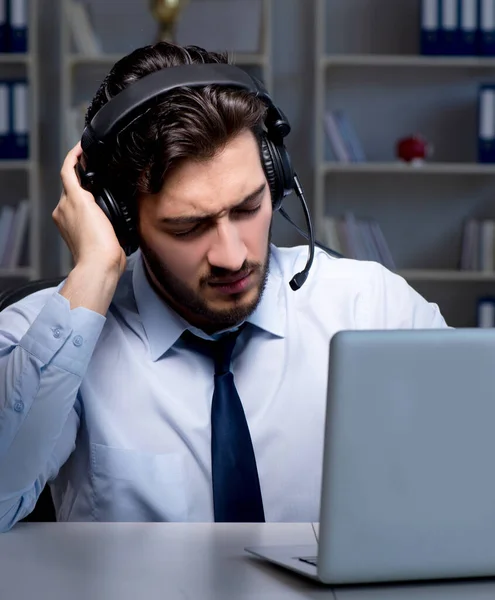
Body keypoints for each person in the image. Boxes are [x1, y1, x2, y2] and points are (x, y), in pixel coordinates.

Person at [0, 42, 448, 533]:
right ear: (122, 222)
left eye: (248, 208)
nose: (232, 256)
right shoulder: (49, 331)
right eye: (188, 227)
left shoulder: (375, 309)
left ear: (275, 180)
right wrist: (94, 271)